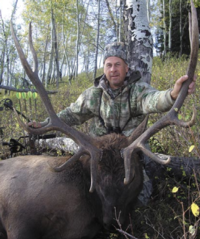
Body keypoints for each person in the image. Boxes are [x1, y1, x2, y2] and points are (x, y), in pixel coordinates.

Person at [29, 42, 196, 204]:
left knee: (141, 197)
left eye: (118, 64)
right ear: (104, 68)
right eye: (109, 65)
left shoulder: (138, 91)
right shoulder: (93, 95)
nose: (113, 70)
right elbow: (71, 114)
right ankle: (43, 141)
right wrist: (43, 124)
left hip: (129, 154)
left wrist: (173, 94)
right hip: (98, 155)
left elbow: (155, 100)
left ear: (126, 68)